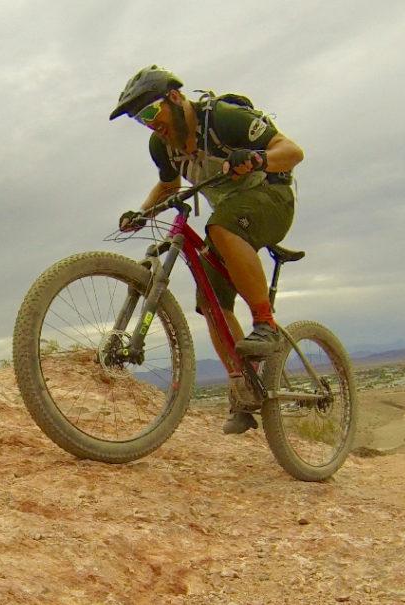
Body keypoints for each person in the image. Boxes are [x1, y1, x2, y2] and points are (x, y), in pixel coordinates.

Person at [110, 66, 304, 435]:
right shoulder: (161, 146)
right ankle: (244, 389)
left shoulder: (223, 119)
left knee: (218, 226)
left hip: (272, 199)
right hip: (230, 214)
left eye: (151, 112)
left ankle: (265, 324)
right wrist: (141, 212)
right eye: (140, 120)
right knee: (211, 302)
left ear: (175, 98)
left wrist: (259, 158)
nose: (150, 125)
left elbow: (292, 151)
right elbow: (168, 185)